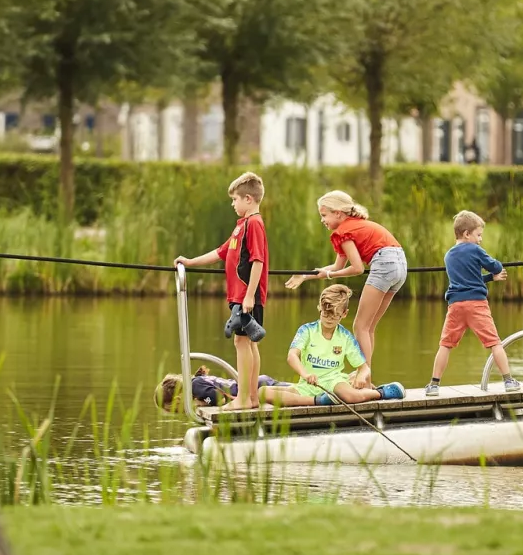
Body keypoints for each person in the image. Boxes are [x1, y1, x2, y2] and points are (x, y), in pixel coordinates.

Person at [175, 171, 268, 411]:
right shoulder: (241, 227)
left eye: (235, 199)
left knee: (242, 342)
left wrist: (249, 295)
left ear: (248, 199)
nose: (233, 204)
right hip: (240, 297)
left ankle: (244, 399)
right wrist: (190, 261)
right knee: (248, 344)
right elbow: (220, 252)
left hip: (247, 297)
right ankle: (252, 398)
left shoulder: (254, 224)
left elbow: (258, 261)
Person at [284, 190, 406, 365]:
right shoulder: (354, 226)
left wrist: (330, 275)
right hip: (400, 266)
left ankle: (363, 378)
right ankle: (366, 377)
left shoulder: (342, 232)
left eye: (324, 215)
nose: (322, 220)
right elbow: (337, 267)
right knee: (368, 327)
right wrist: (305, 276)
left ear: (338, 213)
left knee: (360, 327)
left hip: (384, 265)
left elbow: (357, 268)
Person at [259, 284, 404, 408]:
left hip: (334, 382)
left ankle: (381, 392)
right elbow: (292, 356)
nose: (329, 319)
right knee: (262, 392)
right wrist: (306, 374)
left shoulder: (345, 336)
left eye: (334, 316)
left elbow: (364, 367)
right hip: (307, 385)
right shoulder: (306, 330)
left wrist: (361, 376)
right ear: (319, 308)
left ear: (344, 313)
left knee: (348, 395)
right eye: (325, 314)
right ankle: (318, 400)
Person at [426, 211, 518, 395]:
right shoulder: (475, 250)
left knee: (445, 345)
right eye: (478, 235)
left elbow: (468, 279)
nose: (480, 239)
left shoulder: (448, 256)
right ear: (467, 234)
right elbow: (496, 266)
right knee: (494, 343)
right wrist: (496, 270)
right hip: (477, 304)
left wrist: (490, 279)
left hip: (456, 306)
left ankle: (434, 385)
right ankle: (508, 381)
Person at [154, 366, 284, 414]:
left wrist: (201, 403)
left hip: (259, 387)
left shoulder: (196, 387)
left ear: (177, 399)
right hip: (258, 383)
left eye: (175, 410)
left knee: (300, 390)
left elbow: (221, 399)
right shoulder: (196, 383)